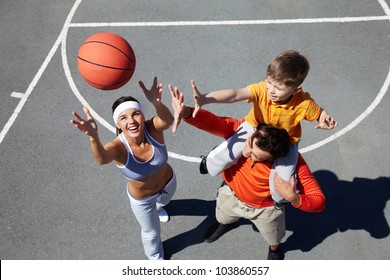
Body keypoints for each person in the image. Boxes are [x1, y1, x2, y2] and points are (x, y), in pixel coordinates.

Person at [170, 85, 326, 260]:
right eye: (250, 145)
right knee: (223, 216)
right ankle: (225, 224)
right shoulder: (244, 132)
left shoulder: (295, 164)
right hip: (231, 195)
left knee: (273, 236)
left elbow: (319, 202)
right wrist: (187, 113)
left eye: (255, 156)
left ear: (275, 158)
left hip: (265, 211)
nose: (246, 153)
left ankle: (274, 248)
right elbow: (215, 123)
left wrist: (294, 198)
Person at [189, 50, 337, 209]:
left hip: (287, 142)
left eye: (278, 88)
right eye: (270, 83)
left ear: (296, 90)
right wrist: (205, 99)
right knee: (227, 155)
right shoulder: (262, 90)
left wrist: (325, 120)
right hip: (255, 126)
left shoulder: (304, 103)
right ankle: (209, 161)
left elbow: (320, 113)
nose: (272, 90)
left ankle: (279, 201)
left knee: (281, 186)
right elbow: (235, 94)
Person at [71, 77, 176, 260]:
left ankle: (159, 207)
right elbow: (102, 159)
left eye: (135, 114)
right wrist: (93, 137)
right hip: (143, 199)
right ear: (118, 124)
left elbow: (168, 120)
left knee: (164, 202)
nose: (131, 121)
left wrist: (156, 103)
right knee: (151, 232)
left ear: (143, 115)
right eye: (123, 118)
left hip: (168, 183)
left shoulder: (153, 129)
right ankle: (155, 258)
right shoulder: (119, 147)